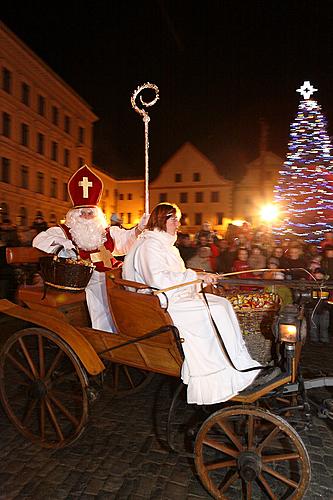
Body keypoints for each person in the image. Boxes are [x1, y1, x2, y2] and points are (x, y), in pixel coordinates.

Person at [122, 203, 270, 406]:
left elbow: (177, 275)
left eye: (177, 218)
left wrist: (199, 276)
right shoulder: (149, 245)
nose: (178, 223)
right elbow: (158, 279)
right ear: (160, 220)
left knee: (223, 304)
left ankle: (239, 364)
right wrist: (195, 276)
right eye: (173, 219)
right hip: (159, 301)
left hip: (171, 296)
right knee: (213, 310)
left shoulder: (165, 246)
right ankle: (217, 376)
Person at [33, 165, 148, 332]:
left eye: (90, 213)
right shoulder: (65, 231)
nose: (87, 218)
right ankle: (108, 335)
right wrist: (61, 242)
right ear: (74, 216)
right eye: (82, 213)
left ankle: (138, 328)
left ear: (97, 215)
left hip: (114, 273)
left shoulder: (107, 232)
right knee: (105, 292)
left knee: (137, 280)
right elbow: (39, 240)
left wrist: (138, 229)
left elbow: (125, 242)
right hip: (87, 278)